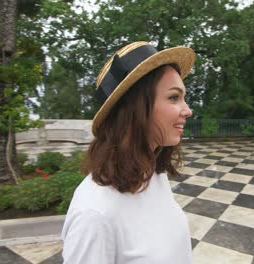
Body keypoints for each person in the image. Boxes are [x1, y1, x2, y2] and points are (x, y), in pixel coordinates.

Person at [61, 41, 195, 264]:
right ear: (136, 108)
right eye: (174, 97)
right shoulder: (95, 213)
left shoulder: (151, 173)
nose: (188, 110)